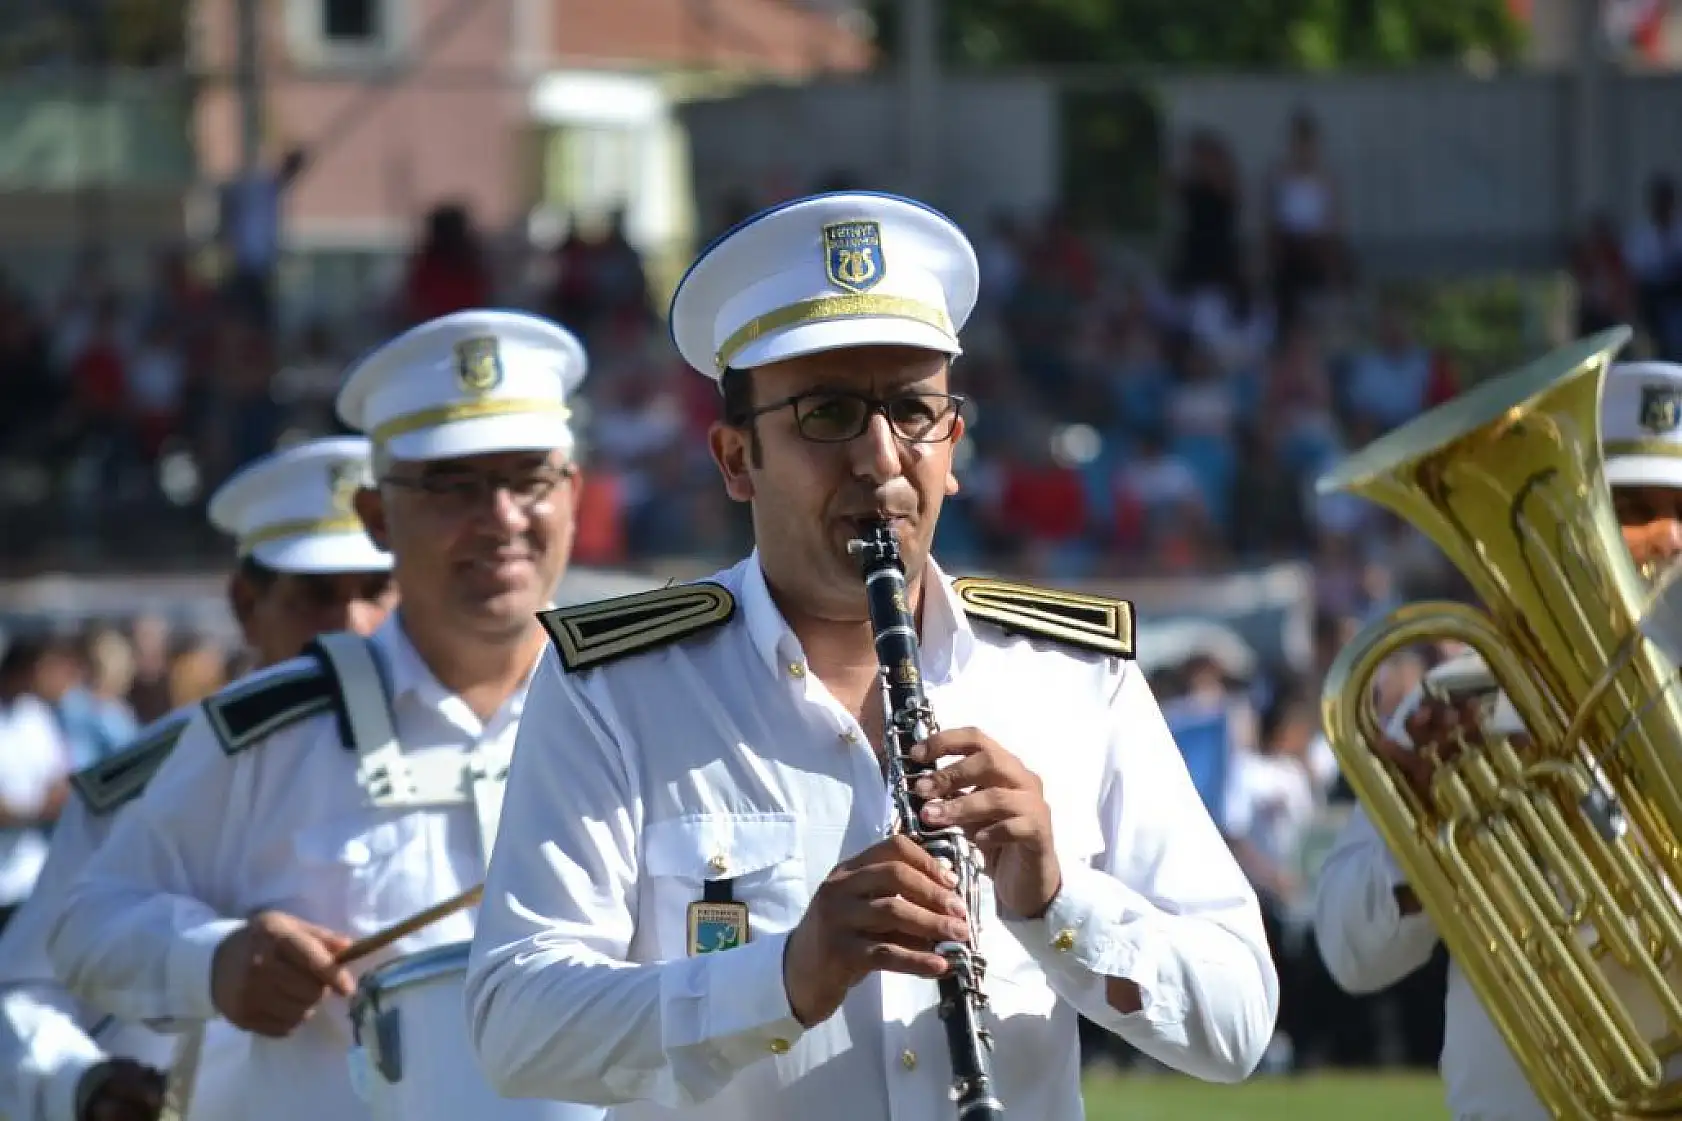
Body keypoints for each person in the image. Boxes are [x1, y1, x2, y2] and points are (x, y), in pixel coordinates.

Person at [463, 191, 1279, 1121]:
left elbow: (1239, 1020)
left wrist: (1055, 900)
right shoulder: (613, 687)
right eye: (828, 413)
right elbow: (515, 1022)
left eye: (912, 410)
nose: (881, 459)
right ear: (737, 458)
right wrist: (782, 979)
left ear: (954, 442)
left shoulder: (1074, 675)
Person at [46, 310, 603, 1121]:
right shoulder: (269, 732)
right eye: (456, 485)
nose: (503, 517)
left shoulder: (645, 705)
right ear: (378, 518)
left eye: (529, 478)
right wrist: (217, 958)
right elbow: (85, 923)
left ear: (574, 493)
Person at [1313, 359, 1682, 1121]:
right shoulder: (1464, 699)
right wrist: (1421, 840)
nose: (1669, 536)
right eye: (1635, 506)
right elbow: (1350, 954)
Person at [0, 436, 397, 1121]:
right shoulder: (147, 781)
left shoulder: (479, 756)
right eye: (317, 596)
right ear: (247, 603)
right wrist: (82, 1085)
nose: (352, 624)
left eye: (375, 591)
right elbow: (24, 993)